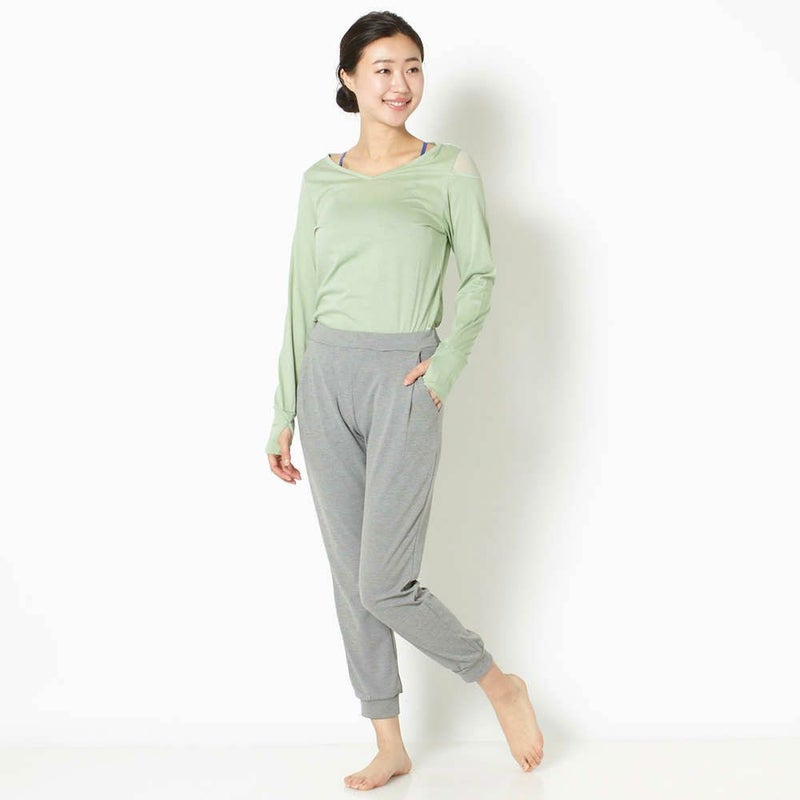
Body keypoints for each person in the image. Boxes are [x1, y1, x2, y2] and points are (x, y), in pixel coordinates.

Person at [265, 11, 544, 791]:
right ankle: (389, 742)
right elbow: (299, 297)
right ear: (349, 79)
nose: (401, 83)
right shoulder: (320, 179)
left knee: (383, 581)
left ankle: (496, 682)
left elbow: (480, 275)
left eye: (413, 66)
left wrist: (446, 366)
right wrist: (282, 410)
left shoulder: (448, 168)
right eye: (383, 68)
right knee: (350, 580)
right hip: (326, 378)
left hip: (405, 379)